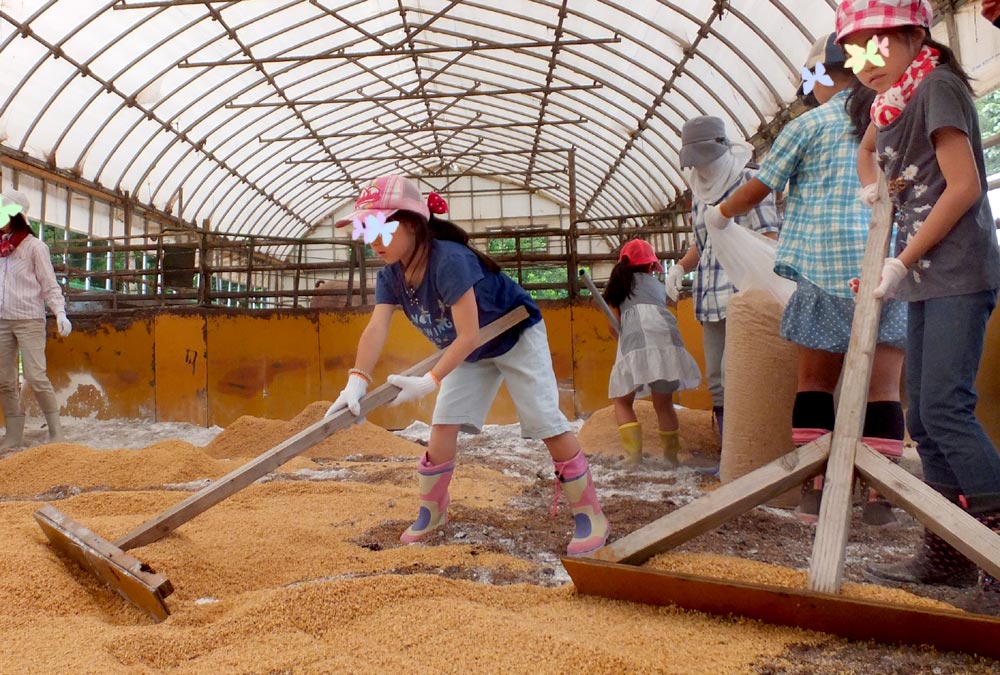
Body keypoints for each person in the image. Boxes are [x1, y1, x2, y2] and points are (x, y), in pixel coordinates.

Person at [326, 175, 609, 556]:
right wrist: (356, 381)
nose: (372, 240)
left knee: (545, 420)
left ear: (410, 224)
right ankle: (432, 514)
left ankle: (590, 515)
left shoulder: (450, 260)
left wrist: (429, 380)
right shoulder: (389, 274)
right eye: (365, 229)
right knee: (443, 425)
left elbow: (469, 334)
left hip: (513, 335)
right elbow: (376, 326)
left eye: (379, 228)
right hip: (470, 353)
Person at [836, 0, 1000, 614]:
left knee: (946, 410)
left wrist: (901, 261)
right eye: (853, 52)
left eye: (874, 46)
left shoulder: (937, 88)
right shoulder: (897, 97)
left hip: (958, 270)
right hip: (928, 277)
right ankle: (949, 552)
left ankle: (996, 553)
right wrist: (869, 181)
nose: (863, 63)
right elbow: (869, 146)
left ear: (911, 35)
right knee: (924, 419)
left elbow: (964, 188)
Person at [707, 33, 907, 526]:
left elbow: (760, 185)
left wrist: (721, 213)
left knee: (815, 384)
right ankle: (880, 502)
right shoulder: (893, 118)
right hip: (888, 271)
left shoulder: (811, 123)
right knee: (884, 392)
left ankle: (815, 495)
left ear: (820, 78)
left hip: (824, 275)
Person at [667, 116, 781, 447]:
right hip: (709, 295)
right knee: (717, 378)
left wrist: (763, 287)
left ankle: (752, 447)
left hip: (744, 293)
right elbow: (702, 245)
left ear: (722, 149)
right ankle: (729, 453)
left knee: (741, 375)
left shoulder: (750, 180)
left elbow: (768, 237)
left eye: (705, 161)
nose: (701, 169)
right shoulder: (698, 193)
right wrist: (679, 268)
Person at [602, 239, 701, 466]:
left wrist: (623, 343)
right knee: (663, 403)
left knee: (623, 400)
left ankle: (633, 457)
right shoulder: (657, 286)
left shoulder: (618, 285)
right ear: (650, 266)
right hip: (668, 340)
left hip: (636, 339)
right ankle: (670, 458)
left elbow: (612, 322)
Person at [0, 190, 72, 448]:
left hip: (29, 319)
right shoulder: (0, 248)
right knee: (5, 380)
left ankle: (56, 432)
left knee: (35, 375)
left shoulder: (35, 247)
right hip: (1, 321)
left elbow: (49, 284)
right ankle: (13, 435)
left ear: (17, 215)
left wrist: (60, 312)